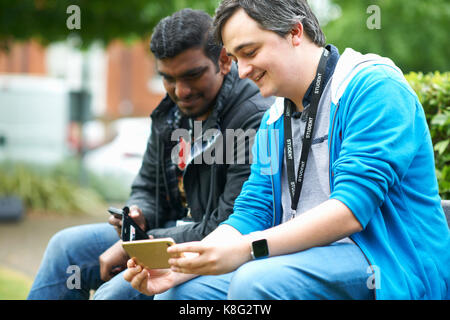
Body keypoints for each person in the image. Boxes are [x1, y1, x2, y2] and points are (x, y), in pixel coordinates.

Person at [124, 0, 450, 300]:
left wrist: (246, 249)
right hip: (301, 260)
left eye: (250, 52)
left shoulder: (374, 87)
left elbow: (351, 210)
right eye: (236, 59)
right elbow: (252, 213)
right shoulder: (273, 119)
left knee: (256, 282)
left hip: (388, 265)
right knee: (178, 295)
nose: (242, 71)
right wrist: (182, 268)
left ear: (295, 32)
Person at [27, 8, 273, 300]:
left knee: (116, 293)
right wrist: (138, 216)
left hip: (219, 247)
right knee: (65, 247)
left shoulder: (253, 118)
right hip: (167, 234)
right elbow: (146, 187)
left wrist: (145, 244)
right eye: (168, 78)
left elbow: (230, 225)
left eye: (192, 75)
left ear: (223, 61)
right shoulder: (170, 115)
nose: (180, 91)